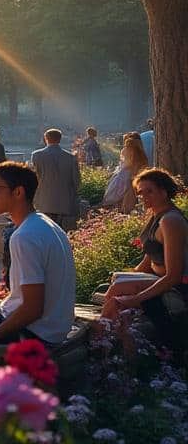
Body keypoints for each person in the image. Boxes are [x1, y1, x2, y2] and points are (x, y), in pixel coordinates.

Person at [0, 162, 76, 345]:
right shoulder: (44, 223)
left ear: (18, 192)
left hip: (36, 332)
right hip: (55, 325)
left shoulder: (25, 236)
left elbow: (33, 309)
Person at [99, 168, 188, 350]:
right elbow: (148, 260)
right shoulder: (157, 215)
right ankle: (110, 335)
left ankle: (102, 339)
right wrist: (128, 276)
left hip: (178, 285)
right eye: (140, 193)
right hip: (157, 277)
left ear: (164, 192)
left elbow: (174, 275)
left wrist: (136, 297)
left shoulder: (170, 221)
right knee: (116, 279)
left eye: (150, 191)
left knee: (118, 289)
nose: (143, 196)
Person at [30, 129, 81, 231]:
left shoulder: (37, 155)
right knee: (62, 231)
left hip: (43, 200)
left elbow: (33, 177)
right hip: (65, 201)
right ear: (60, 139)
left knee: (45, 230)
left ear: (46, 139)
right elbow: (76, 181)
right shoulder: (70, 157)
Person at [100, 133, 149, 212]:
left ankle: (121, 209)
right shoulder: (140, 151)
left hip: (127, 173)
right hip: (133, 174)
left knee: (122, 193)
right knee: (127, 193)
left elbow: (126, 163)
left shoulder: (127, 151)